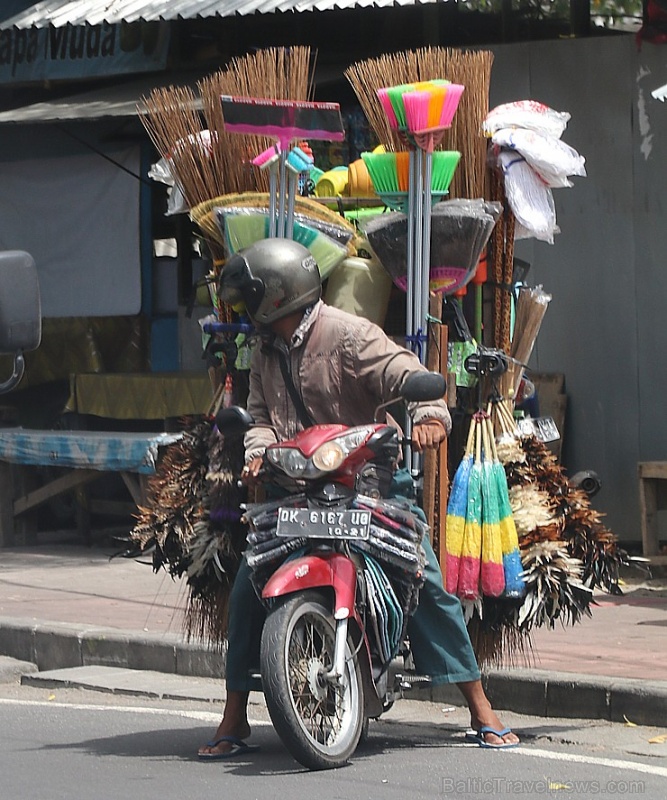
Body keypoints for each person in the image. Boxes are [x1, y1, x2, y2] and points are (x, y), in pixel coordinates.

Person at [198, 238, 519, 760]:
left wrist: (432, 412)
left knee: (425, 580)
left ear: (276, 295)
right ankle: (234, 714)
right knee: (245, 587)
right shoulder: (263, 352)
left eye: (250, 298)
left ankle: (479, 705)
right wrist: (257, 452)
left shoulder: (348, 334)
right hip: (296, 489)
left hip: (368, 484)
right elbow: (258, 418)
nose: (245, 310)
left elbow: (401, 371)